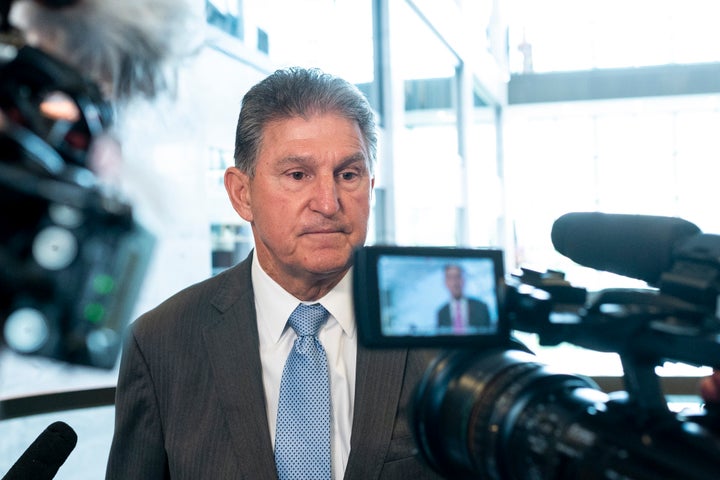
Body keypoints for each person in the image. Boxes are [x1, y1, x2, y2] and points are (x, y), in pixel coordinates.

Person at [105, 67, 442, 480]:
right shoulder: (161, 342)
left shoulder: (438, 326)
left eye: (348, 174)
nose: (328, 202)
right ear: (241, 194)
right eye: (298, 175)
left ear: (370, 187)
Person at [436, 264, 491, 333]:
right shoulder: (441, 313)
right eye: (450, 278)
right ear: (445, 282)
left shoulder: (481, 307)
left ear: (464, 280)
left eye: (458, 277)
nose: (455, 282)